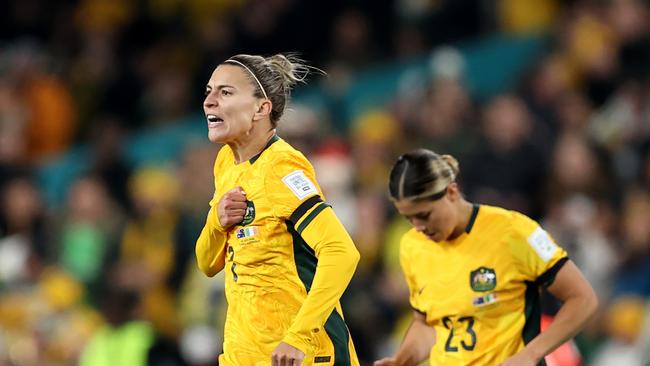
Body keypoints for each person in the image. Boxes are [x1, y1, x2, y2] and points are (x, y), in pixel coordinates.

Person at [195, 53, 361, 366]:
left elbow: (341, 252)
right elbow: (207, 263)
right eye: (209, 91)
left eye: (225, 92)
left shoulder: (282, 167)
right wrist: (217, 221)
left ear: (262, 107)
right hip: (245, 354)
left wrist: (298, 337)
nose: (209, 101)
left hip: (301, 356)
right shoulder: (225, 164)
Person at [375, 149, 598, 366]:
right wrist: (403, 359)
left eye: (424, 215)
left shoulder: (513, 233)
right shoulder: (412, 246)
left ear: (451, 192)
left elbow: (583, 299)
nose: (419, 227)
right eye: (409, 218)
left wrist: (531, 354)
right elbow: (428, 324)